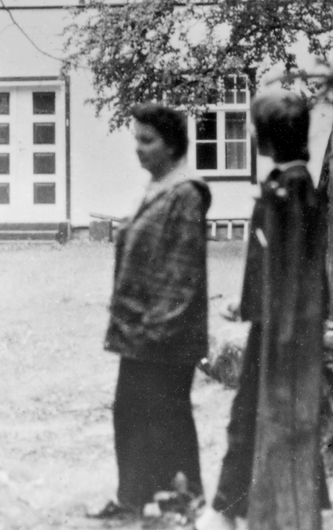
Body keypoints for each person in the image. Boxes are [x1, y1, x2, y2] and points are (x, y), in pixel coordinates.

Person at [197, 90, 330, 530]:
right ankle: (236, 508)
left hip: (281, 333)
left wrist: (280, 331)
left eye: (255, 126)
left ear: (272, 133)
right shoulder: (288, 185)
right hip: (273, 323)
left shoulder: (288, 190)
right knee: (250, 415)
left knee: (254, 415)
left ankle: (234, 511)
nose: (250, 133)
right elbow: (275, 266)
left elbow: (296, 274)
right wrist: (248, 303)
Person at [91, 103, 212, 521]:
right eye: (136, 140)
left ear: (172, 144)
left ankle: (182, 499)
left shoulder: (185, 194)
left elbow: (182, 274)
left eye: (148, 140)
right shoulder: (157, 187)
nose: (139, 149)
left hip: (165, 334)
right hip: (142, 331)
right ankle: (136, 498)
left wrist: (156, 330)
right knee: (133, 413)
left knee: (164, 412)